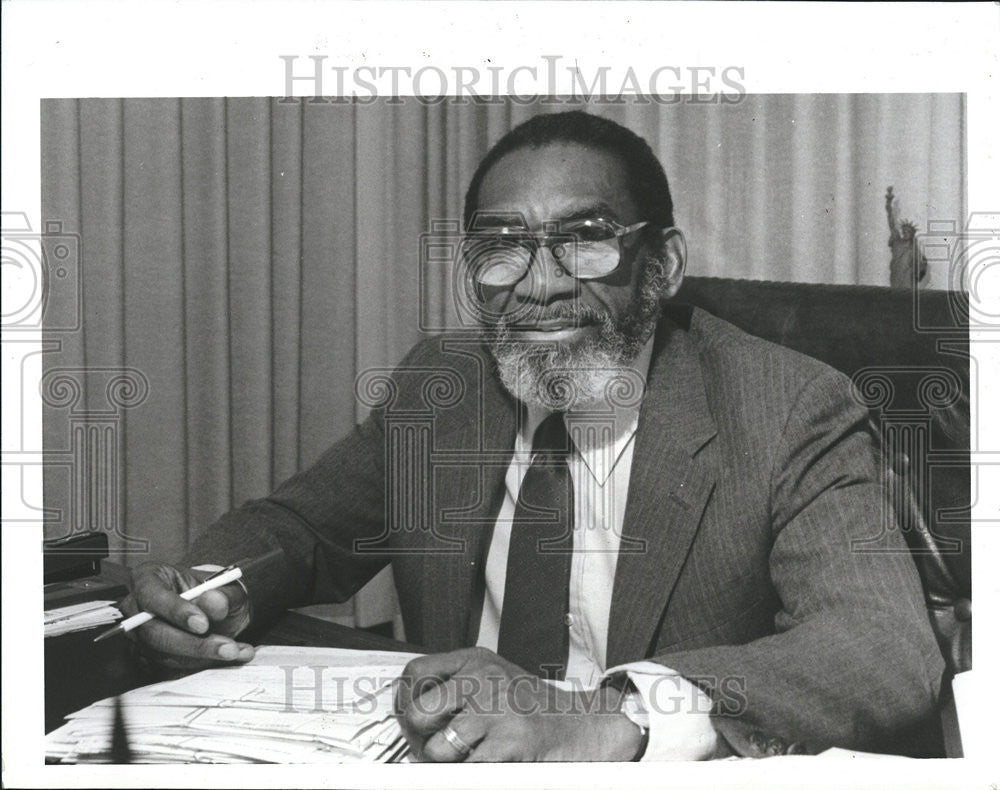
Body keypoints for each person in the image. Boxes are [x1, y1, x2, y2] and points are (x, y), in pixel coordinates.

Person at [122, 110, 945, 761]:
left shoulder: (789, 405)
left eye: (585, 239)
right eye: (502, 249)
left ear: (659, 267)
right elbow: (300, 531)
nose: (540, 285)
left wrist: (605, 716)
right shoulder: (439, 386)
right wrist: (214, 590)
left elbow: (880, 647)